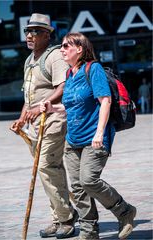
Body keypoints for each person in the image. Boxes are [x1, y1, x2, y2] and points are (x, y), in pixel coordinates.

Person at [40, 32, 137, 240]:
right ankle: (89, 232)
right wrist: (52, 108)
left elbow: (105, 101)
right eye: (61, 46)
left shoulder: (93, 69)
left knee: (88, 180)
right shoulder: (69, 74)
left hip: (95, 137)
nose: (62, 49)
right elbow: (71, 106)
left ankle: (124, 211)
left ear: (80, 49)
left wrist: (100, 132)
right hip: (72, 139)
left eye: (66, 46)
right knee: (78, 188)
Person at [10, 14, 78, 239]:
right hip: (35, 124)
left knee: (46, 167)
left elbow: (62, 89)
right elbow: (28, 99)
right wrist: (22, 118)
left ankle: (67, 218)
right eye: (27, 31)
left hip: (54, 120)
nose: (30, 35)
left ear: (48, 34)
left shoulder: (55, 56)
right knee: (48, 171)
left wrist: (39, 107)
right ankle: (59, 217)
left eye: (36, 31)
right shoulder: (29, 60)